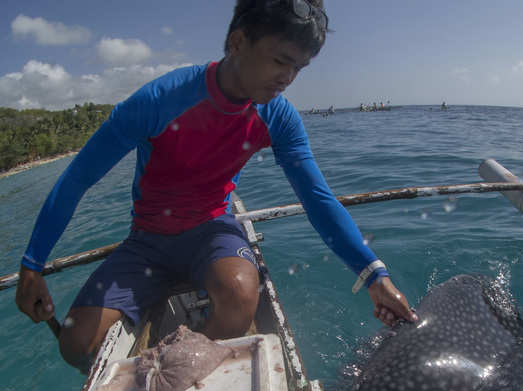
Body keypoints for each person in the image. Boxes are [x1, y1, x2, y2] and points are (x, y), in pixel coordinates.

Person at [15, 0, 417, 371]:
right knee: (76, 344)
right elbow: (78, 178)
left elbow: (316, 198)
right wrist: (33, 264)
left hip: (212, 230)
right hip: (147, 240)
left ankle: (173, 367)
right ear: (238, 42)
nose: (288, 78)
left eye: (298, 68)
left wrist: (375, 278)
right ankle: (164, 363)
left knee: (242, 296)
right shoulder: (158, 100)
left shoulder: (278, 117)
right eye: (280, 61)